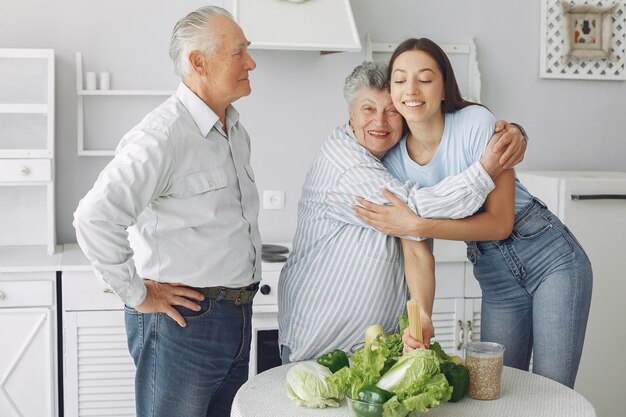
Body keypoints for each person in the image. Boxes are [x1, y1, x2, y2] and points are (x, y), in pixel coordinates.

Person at [354, 38, 593, 388]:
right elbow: (416, 250)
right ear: (390, 89)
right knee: (494, 389)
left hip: (550, 258)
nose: (412, 90)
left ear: (443, 86)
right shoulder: (392, 162)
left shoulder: (475, 123)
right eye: (400, 79)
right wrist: (422, 320)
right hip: (496, 277)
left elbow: (499, 223)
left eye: (425, 78)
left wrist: (420, 223)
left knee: (551, 391)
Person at [73, 6, 259, 417]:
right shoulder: (162, 135)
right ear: (198, 62)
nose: (251, 62)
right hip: (183, 326)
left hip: (236, 318)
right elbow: (94, 218)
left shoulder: (234, 129)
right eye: (239, 52)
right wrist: (139, 295)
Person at [277, 61, 527, 363]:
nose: (380, 122)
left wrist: (514, 132)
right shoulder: (347, 165)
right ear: (351, 116)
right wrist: (489, 167)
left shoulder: (392, 160)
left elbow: (416, 242)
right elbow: (417, 211)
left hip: (375, 349)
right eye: (369, 109)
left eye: (392, 111)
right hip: (321, 348)